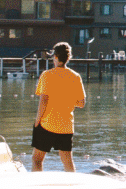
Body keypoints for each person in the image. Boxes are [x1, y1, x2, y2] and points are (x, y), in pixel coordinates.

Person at [32, 42, 86, 171]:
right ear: (68, 58)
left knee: (37, 159)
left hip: (47, 123)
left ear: (55, 57)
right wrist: (66, 100)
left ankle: (35, 188)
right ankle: (73, 187)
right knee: (67, 161)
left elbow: (44, 100)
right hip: (66, 125)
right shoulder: (75, 76)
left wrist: (37, 121)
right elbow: (81, 103)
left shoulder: (47, 75)